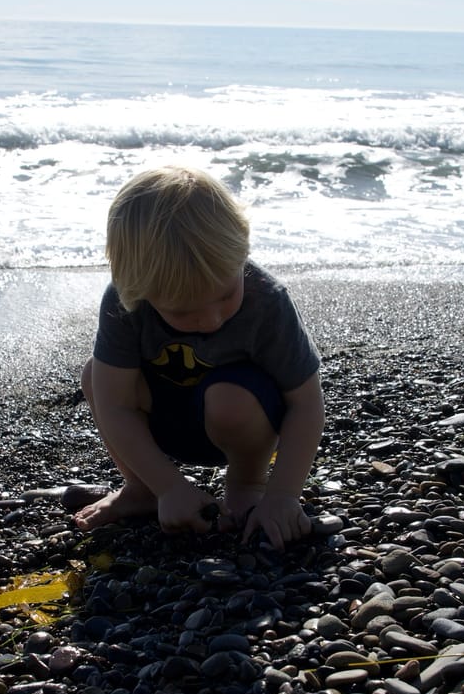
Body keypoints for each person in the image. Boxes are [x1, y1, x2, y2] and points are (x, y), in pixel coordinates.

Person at [73, 165, 323, 548]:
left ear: (242, 252)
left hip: (242, 422)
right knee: (97, 377)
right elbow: (116, 407)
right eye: (183, 312)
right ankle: (143, 488)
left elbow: (306, 404)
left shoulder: (267, 302)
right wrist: (169, 486)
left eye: (225, 295)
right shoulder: (126, 302)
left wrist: (284, 495)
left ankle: (246, 483)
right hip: (166, 423)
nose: (211, 319)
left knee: (229, 398)